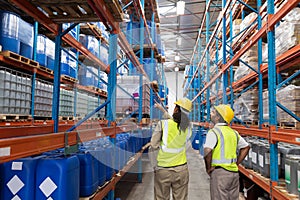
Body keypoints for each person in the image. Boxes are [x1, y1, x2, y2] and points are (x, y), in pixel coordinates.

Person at [203, 104, 250, 200]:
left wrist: (208, 168)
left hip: (220, 174)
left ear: (218, 117)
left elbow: (207, 150)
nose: (211, 114)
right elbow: (246, 147)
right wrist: (236, 163)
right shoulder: (234, 133)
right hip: (234, 174)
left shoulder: (214, 132)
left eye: (213, 112)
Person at [150, 98, 192, 200]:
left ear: (176, 110)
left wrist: (154, 166)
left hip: (163, 169)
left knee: (161, 197)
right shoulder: (188, 127)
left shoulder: (163, 124)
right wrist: (162, 110)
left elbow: (153, 146)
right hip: (181, 170)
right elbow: (175, 121)